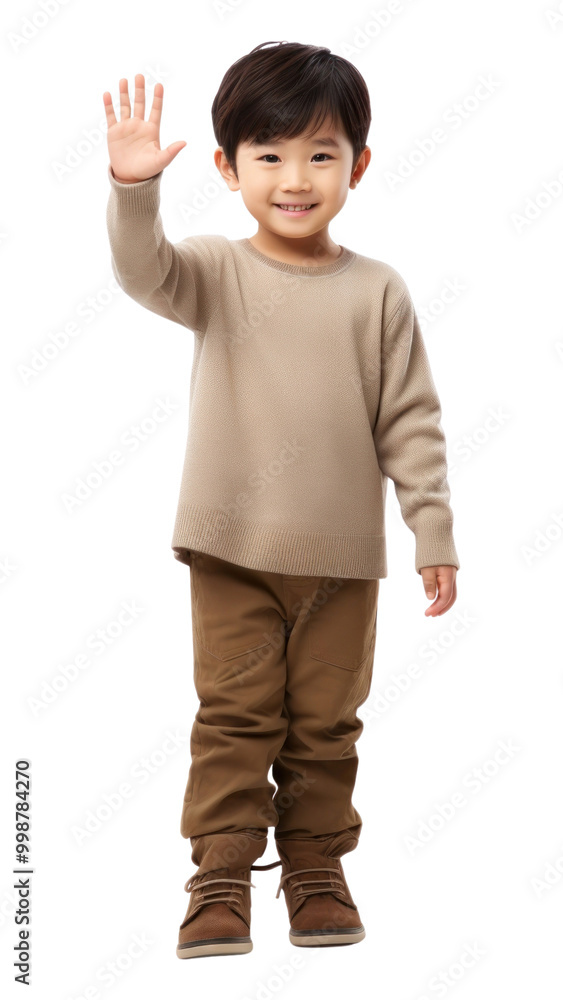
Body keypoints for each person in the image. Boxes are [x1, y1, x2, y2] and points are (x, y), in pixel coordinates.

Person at [103, 41, 460, 960]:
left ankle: (314, 866)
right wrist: (134, 188)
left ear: (357, 166)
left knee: (328, 722)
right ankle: (221, 874)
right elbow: (143, 272)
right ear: (228, 168)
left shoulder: (377, 291)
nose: (295, 179)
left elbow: (410, 419)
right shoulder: (214, 271)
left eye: (319, 154)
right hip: (230, 545)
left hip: (342, 557)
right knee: (233, 714)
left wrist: (431, 530)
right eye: (268, 154)